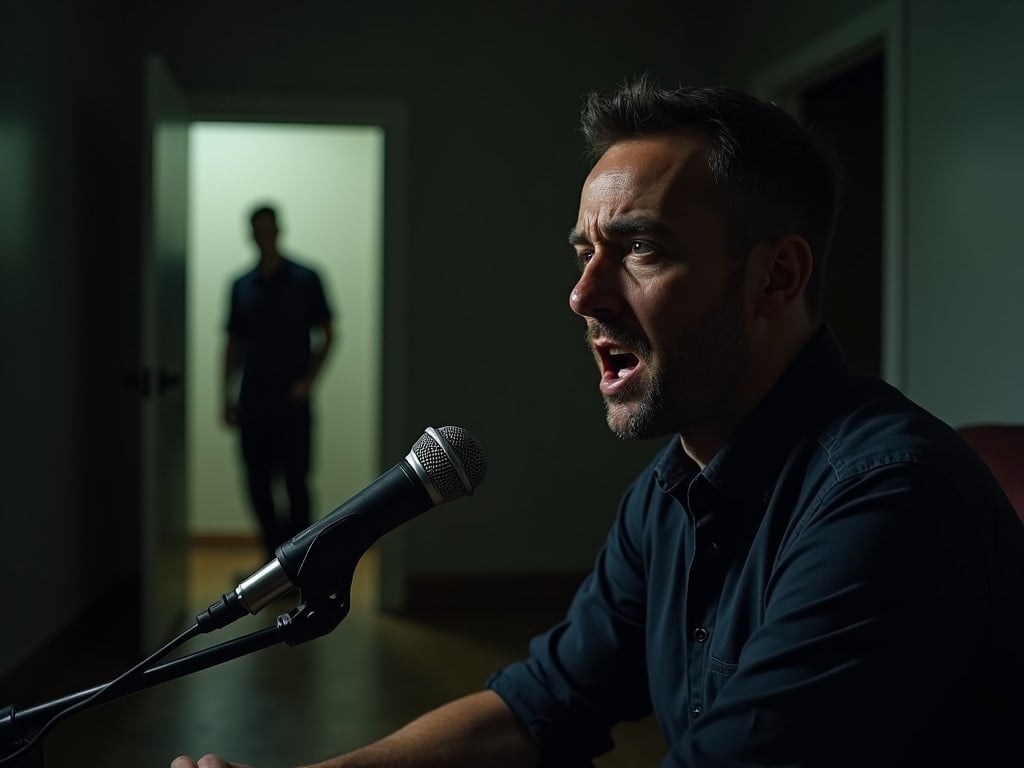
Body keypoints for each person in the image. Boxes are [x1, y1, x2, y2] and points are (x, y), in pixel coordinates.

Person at [174, 78, 1024, 767]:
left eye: (642, 247)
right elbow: (541, 707)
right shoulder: (672, 490)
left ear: (777, 277)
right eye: (586, 252)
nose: (583, 296)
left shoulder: (887, 500)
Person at [223, 204, 334, 562]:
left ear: (278, 230)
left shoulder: (306, 279)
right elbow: (232, 343)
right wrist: (225, 394)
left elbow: (329, 334)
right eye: (258, 229)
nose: (264, 236)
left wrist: (309, 382)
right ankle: (273, 560)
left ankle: (299, 560)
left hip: (292, 403)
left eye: (269, 228)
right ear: (251, 234)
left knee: (296, 482)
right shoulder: (241, 286)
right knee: (257, 483)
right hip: (253, 400)